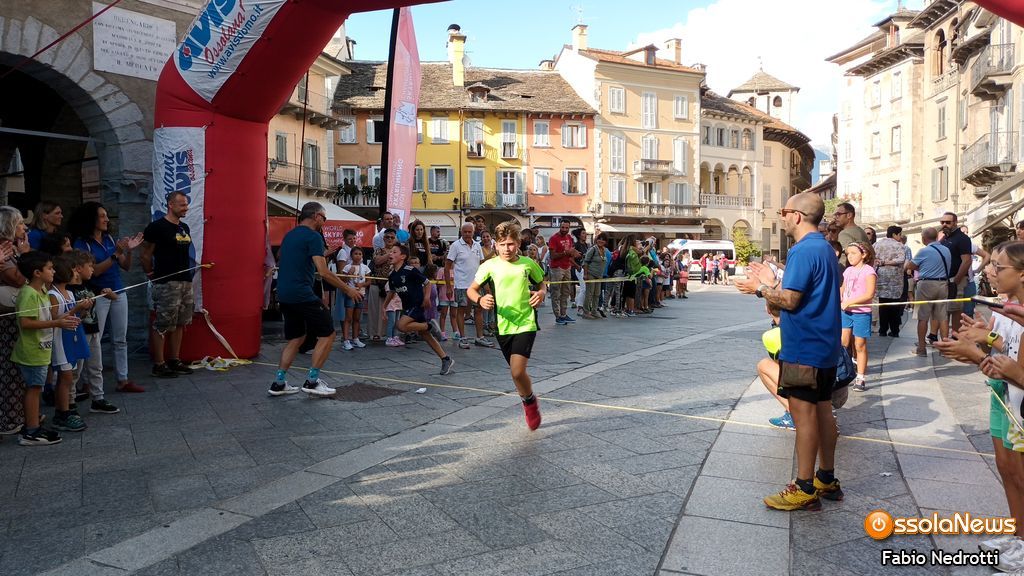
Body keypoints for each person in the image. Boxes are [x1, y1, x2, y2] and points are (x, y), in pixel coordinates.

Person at [737, 192, 842, 511]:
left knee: (804, 416)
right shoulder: (825, 248)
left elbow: (791, 301)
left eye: (784, 211)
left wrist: (760, 288)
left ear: (797, 215)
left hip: (804, 348)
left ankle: (804, 486)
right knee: (823, 410)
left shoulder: (802, 250)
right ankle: (826, 478)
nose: (782, 217)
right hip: (825, 345)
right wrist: (772, 283)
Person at [934, 241, 1024, 571]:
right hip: (1007, 397)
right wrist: (983, 340)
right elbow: (1005, 351)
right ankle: (1018, 536)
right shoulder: (1005, 307)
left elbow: (1016, 368)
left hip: (1018, 401)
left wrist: (977, 353)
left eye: (999, 266)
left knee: (1020, 475)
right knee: (1008, 470)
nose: (990, 271)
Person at [268, 202, 362, 397]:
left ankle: (279, 382)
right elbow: (323, 271)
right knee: (328, 333)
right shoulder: (314, 236)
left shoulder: (289, 235)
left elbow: (281, 256)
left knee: (296, 337)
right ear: (316, 216)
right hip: (302, 293)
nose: (324, 222)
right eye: (324, 218)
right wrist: (348, 289)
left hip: (284, 292)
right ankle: (312, 381)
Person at [467, 222, 546, 430]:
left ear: (518, 243)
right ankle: (527, 398)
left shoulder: (528, 263)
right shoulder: (489, 266)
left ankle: (530, 403)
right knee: (514, 373)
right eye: (502, 244)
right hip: (502, 326)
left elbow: (542, 283)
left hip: (526, 322)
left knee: (517, 372)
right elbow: (471, 290)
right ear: (496, 245)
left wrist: (541, 293)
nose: (507, 249)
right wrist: (480, 300)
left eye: (510, 244)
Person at [68, 202, 144, 393]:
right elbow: (94, 272)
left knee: (120, 338)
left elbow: (125, 266)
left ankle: (123, 379)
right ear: (91, 219)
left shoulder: (109, 238)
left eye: (106, 215)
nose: (107, 219)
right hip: (97, 295)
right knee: (95, 339)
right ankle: (88, 381)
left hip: (118, 291)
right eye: (102, 216)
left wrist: (128, 251)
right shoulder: (82, 243)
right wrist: (116, 254)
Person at [13, 251, 80, 445]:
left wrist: (67, 317)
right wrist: (56, 324)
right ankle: (31, 431)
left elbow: (49, 317)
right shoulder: (28, 293)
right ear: (37, 272)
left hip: (42, 349)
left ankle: (33, 426)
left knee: (36, 388)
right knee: (34, 389)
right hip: (32, 351)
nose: (53, 271)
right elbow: (25, 322)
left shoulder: (42, 291)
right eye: (49, 268)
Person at [140, 192, 196, 378]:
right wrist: (151, 275)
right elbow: (146, 254)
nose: (186, 208)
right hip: (166, 282)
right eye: (182, 205)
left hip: (185, 281)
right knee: (163, 323)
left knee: (180, 322)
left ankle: (174, 360)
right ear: (170, 205)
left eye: (186, 204)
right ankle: (159, 364)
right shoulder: (156, 227)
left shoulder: (184, 227)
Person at [384, 244, 454, 374]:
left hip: (417, 305)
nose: (390, 254)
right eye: (390, 252)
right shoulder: (392, 275)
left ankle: (430, 326)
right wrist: (384, 306)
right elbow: (392, 292)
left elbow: (427, 283)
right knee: (425, 335)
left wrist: (426, 298)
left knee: (401, 325)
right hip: (407, 307)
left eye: (394, 252)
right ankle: (445, 359)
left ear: (403, 256)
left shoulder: (410, 270)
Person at [67, 249, 118, 413]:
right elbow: (68, 313)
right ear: (78, 268)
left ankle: (98, 398)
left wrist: (108, 293)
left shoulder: (89, 284)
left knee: (96, 366)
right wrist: (80, 308)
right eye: (90, 266)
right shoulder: (67, 289)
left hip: (94, 329)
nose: (92, 269)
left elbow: (114, 297)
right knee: (75, 370)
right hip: (78, 333)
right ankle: (70, 402)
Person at [47, 254, 93, 431]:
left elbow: (74, 317)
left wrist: (83, 310)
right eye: (73, 270)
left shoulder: (71, 293)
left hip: (71, 338)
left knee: (69, 376)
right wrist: (76, 308)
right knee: (65, 377)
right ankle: (62, 413)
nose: (76, 273)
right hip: (60, 341)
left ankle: (63, 410)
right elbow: (55, 318)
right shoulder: (53, 295)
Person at [0, 207, 29, 435]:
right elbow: (19, 279)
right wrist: (26, 257)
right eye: (19, 223)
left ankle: (21, 413)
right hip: (6, 315)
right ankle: (9, 418)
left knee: (18, 367)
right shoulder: (4, 249)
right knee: (9, 366)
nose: (24, 227)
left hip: (16, 312)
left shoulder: (14, 248)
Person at [445, 223, 494, 349]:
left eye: (469, 232)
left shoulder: (477, 245)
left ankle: (480, 337)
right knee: (461, 310)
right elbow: (447, 266)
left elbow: (481, 264)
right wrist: (449, 286)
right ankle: (462, 338)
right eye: (465, 232)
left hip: (477, 284)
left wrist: (485, 283)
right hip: (461, 284)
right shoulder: (455, 246)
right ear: (461, 232)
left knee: (479, 310)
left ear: (473, 232)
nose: (467, 234)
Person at [906, 227, 951, 357]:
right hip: (943, 284)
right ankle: (944, 349)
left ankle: (921, 348)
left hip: (926, 284)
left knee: (923, 318)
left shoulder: (924, 251)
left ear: (924, 238)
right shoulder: (946, 250)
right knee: (942, 317)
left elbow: (910, 266)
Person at [841, 242, 876, 392]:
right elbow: (843, 288)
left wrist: (849, 302)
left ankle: (860, 377)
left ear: (864, 254)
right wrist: (839, 299)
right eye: (848, 253)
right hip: (846, 312)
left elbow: (869, 294)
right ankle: (843, 372)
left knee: (860, 344)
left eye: (853, 253)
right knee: (843, 343)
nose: (850, 256)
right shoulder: (848, 270)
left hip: (861, 313)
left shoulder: (869, 271)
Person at [940, 212, 973, 334]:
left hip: (956, 280)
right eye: (942, 222)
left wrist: (956, 280)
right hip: (945, 280)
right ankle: (945, 339)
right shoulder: (944, 238)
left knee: (955, 311)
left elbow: (967, 261)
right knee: (944, 311)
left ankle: (955, 338)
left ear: (955, 223)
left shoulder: (962, 238)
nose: (944, 224)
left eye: (948, 222)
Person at [873, 226, 908, 337]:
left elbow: (872, 258)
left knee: (883, 305)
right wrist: (886, 262)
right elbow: (901, 259)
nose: (900, 237)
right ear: (894, 234)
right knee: (894, 306)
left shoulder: (877, 244)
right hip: (895, 281)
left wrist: (880, 263)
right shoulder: (899, 245)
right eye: (899, 234)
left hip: (881, 279)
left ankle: (882, 330)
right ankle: (894, 330)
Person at [368, 229, 399, 341]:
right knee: (375, 310)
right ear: (383, 238)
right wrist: (390, 254)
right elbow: (377, 261)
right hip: (377, 284)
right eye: (387, 237)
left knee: (391, 310)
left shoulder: (399, 251)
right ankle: (374, 333)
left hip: (392, 286)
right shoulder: (378, 250)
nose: (389, 239)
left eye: (392, 237)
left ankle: (388, 333)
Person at [338, 246, 370, 351]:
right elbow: (343, 280)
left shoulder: (365, 267)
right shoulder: (347, 267)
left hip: (361, 294)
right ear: (351, 255)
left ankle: (355, 338)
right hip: (350, 294)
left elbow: (369, 281)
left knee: (357, 318)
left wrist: (362, 284)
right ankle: (346, 340)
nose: (358, 256)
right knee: (348, 318)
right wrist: (349, 274)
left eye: (360, 254)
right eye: (356, 254)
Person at [547, 220, 578, 325]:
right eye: (562, 227)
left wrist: (574, 254)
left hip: (567, 266)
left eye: (566, 228)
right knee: (556, 293)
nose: (564, 229)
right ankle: (558, 316)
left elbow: (570, 253)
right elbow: (552, 256)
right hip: (557, 268)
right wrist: (566, 253)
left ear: (569, 228)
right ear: (559, 227)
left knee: (565, 292)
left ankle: (564, 314)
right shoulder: (554, 238)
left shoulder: (569, 238)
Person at [833, 202, 868, 266]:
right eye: (835, 215)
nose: (835, 217)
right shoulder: (861, 231)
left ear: (849, 215)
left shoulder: (844, 234)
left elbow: (852, 256)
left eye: (838, 214)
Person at [581, 233, 607, 319]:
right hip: (591, 274)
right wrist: (585, 274)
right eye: (599, 239)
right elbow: (586, 261)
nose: (601, 241)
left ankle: (594, 311)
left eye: (603, 239)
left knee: (597, 294)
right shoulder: (593, 249)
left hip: (599, 276)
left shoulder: (604, 250)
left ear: (605, 242)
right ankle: (586, 312)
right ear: (596, 240)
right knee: (589, 293)